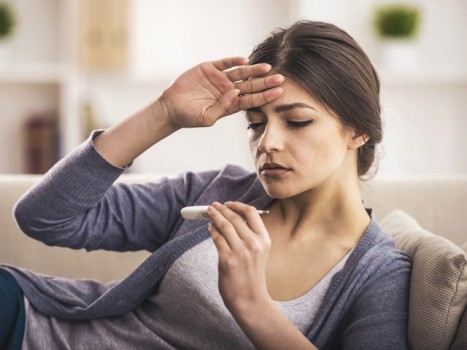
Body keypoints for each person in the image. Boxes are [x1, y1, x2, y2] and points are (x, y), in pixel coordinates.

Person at [0, 20, 411, 349]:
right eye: (255, 125)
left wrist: (252, 305)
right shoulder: (217, 193)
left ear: (357, 131)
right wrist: (163, 113)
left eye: (297, 121)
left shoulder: (378, 274)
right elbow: (44, 217)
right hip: (28, 329)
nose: (268, 142)